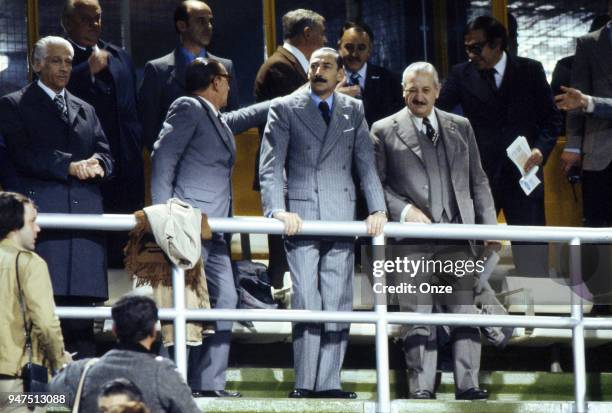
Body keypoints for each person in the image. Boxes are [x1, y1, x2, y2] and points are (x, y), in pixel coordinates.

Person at [259, 47, 387, 398]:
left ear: (340, 73)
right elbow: (270, 167)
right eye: (314, 65)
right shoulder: (285, 107)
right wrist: (277, 210)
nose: (318, 70)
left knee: (337, 299)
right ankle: (304, 383)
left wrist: (377, 210)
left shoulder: (353, 109)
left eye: (326, 66)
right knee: (306, 300)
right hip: (300, 217)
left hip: (341, 214)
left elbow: (365, 164)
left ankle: (329, 382)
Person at [371, 62, 497, 400]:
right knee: (418, 314)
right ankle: (422, 388)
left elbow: (478, 180)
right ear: (403, 91)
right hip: (410, 241)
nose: (419, 96)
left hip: (456, 236)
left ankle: (468, 385)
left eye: (426, 89)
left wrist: (490, 228)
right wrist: (404, 210)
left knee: (465, 311)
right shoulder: (383, 129)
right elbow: (374, 185)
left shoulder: (460, 126)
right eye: (412, 89)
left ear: (438, 92)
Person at [151, 57, 269, 397]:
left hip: (216, 230)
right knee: (184, 305)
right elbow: (162, 160)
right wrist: (166, 219)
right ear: (216, 81)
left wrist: (296, 96)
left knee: (227, 298)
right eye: (228, 81)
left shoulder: (214, 117)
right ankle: (172, 384)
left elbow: (244, 116)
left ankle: (208, 383)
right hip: (187, 226)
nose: (230, 87)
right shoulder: (187, 107)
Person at [0, 36, 113, 358]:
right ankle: (39, 387)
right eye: (55, 60)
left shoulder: (86, 109)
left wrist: (100, 165)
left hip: (85, 218)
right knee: (41, 304)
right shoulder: (13, 104)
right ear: (36, 65)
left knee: (84, 314)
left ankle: (84, 386)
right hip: (45, 216)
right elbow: (22, 154)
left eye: (67, 61)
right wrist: (70, 166)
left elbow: (107, 152)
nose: (64, 67)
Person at [437, 15, 560, 276]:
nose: (470, 54)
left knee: (532, 254)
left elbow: (551, 119)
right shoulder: (461, 74)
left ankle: (532, 314)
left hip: (524, 175)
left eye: (476, 47)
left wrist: (541, 149)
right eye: (467, 47)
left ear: (497, 44)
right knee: (472, 253)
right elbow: (438, 114)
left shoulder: (531, 70)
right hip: (480, 177)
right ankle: (469, 312)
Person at [62, 0, 144, 267]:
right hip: (87, 168)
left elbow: (134, 107)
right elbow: (51, 93)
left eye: (97, 18)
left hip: (127, 165)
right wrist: (87, 71)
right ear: (67, 23)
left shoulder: (119, 56)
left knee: (127, 240)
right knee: (91, 241)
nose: (94, 25)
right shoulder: (60, 58)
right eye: (85, 19)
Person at [253, 8, 327, 287]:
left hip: (300, 173)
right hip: (283, 174)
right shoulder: (279, 67)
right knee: (284, 256)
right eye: (322, 34)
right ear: (307, 33)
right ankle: (282, 308)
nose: (325, 40)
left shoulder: (292, 66)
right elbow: (295, 118)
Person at [50, 295, 200, 413]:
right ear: (153, 331)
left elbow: (34, 397)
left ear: (114, 329)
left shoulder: (82, 370)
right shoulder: (164, 373)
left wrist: (64, 368)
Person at [0, 192, 71, 413]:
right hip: (17, 385)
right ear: (14, 224)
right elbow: (46, 324)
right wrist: (60, 361)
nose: (37, 228)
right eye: (32, 221)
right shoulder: (31, 264)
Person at [139, 0, 240, 151]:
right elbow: (149, 127)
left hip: (216, 165)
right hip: (175, 167)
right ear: (182, 26)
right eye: (201, 21)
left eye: (210, 21)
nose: (209, 26)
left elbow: (232, 118)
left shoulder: (226, 67)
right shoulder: (157, 70)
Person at [563, 0, 612, 227]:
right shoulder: (588, 44)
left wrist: (590, 103)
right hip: (599, 151)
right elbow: (575, 99)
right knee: (596, 227)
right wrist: (572, 145)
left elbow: (583, 100)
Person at [336, 20, 403, 127]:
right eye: (349, 47)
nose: (354, 54)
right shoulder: (325, 81)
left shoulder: (389, 80)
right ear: (339, 47)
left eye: (361, 48)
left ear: (369, 50)